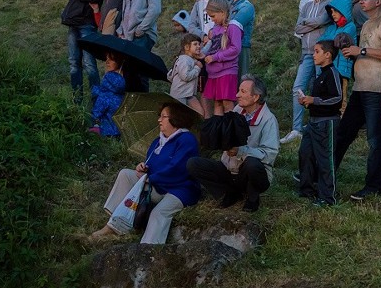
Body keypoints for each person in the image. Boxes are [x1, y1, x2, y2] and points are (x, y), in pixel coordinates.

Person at [90, 104, 200, 244]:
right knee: (126, 174)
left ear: (176, 118)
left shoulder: (186, 139)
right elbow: (152, 164)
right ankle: (114, 224)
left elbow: (178, 168)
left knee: (159, 213)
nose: (159, 120)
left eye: (163, 117)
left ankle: (148, 248)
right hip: (157, 185)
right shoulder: (158, 142)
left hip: (179, 189)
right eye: (159, 116)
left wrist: (150, 178)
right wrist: (143, 168)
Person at [335, 0, 381, 201]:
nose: (362, 1)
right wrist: (352, 54)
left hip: (377, 89)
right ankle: (325, 173)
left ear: (379, 1)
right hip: (360, 87)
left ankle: (375, 184)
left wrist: (361, 51)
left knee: (375, 139)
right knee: (343, 133)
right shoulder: (366, 25)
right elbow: (367, 53)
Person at [187, 74, 280, 212]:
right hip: (229, 169)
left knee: (252, 163)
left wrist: (240, 151)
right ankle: (228, 193)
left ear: (256, 97)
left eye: (243, 92)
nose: (237, 95)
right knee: (193, 164)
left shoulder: (269, 120)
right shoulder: (237, 110)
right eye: (238, 90)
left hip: (251, 174)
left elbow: (270, 154)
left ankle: (252, 198)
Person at [284, 0, 334, 144]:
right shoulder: (306, 6)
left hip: (322, 54)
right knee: (298, 87)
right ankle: (296, 128)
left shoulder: (328, 4)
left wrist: (307, 23)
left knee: (319, 89)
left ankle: (317, 124)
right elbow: (298, 28)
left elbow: (323, 20)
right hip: (307, 53)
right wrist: (311, 23)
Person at [297, 40, 343, 206]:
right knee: (305, 153)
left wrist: (314, 100)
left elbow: (337, 98)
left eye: (317, 51)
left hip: (327, 123)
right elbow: (321, 99)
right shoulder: (320, 75)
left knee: (325, 160)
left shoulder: (332, 73)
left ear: (328, 55)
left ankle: (327, 197)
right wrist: (307, 101)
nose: (313, 55)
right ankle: (307, 189)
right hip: (313, 122)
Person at [61, 0, 107, 103]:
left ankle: (96, 101)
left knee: (89, 65)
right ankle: (77, 99)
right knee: (74, 63)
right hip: (75, 23)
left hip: (86, 24)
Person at [202, 0, 242, 116]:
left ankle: (229, 130)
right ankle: (218, 130)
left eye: (213, 16)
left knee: (227, 103)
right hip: (214, 72)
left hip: (227, 71)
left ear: (222, 12)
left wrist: (215, 57)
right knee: (217, 103)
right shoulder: (215, 28)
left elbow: (235, 49)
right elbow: (212, 46)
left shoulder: (233, 27)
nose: (212, 19)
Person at [320, 0, 357, 112]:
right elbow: (320, 42)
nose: (333, 14)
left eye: (336, 11)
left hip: (341, 69)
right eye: (331, 11)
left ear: (344, 11)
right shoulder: (332, 28)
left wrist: (329, 42)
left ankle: (342, 122)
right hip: (330, 69)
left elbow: (338, 42)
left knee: (341, 98)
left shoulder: (350, 27)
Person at [88, 51, 126, 138]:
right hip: (120, 130)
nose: (107, 62)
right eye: (107, 58)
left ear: (119, 62)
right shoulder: (124, 88)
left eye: (111, 59)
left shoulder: (105, 93)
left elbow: (95, 114)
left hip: (106, 132)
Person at [168, 33, 204, 115]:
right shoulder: (184, 59)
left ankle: (197, 128)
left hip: (189, 94)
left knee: (200, 113)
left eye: (199, 44)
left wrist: (210, 41)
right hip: (180, 95)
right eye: (195, 44)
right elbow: (185, 76)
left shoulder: (190, 59)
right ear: (187, 47)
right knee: (180, 117)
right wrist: (197, 68)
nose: (198, 46)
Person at [228, 0, 256, 76]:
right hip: (228, 46)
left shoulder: (247, 7)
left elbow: (234, 25)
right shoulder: (229, 5)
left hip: (241, 46)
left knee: (240, 78)